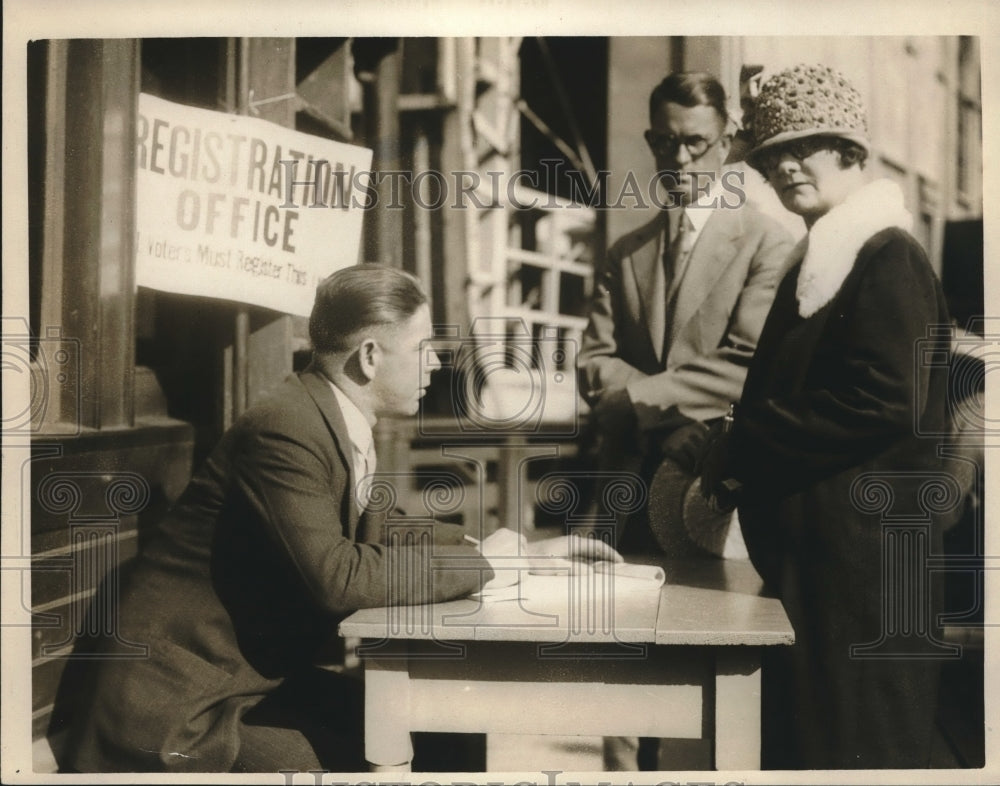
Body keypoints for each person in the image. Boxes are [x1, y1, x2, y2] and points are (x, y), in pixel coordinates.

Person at [64, 265, 620, 773]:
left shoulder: (326, 414)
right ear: (371, 357)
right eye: (423, 347)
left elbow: (379, 526)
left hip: (246, 682)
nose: (436, 362)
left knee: (446, 721)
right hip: (183, 710)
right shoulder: (285, 429)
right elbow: (339, 576)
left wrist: (521, 550)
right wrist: (483, 565)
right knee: (407, 740)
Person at [704, 63, 953, 768]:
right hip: (832, 563)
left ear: (848, 149)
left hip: (868, 571)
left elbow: (884, 400)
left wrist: (745, 443)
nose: (783, 166)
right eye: (769, 155)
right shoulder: (829, 255)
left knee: (858, 746)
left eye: (802, 145)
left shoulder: (885, 255)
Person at [576, 71, 794, 771]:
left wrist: (640, 401)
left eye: (696, 143)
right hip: (626, 493)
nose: (680, 161)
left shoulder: (770, 243)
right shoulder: (627, 251)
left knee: (707, 679)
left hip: (712, 492)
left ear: (727, 143)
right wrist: (657, 410)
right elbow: (593, 362)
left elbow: (747, 361)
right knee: (617, 683)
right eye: (664, 142)